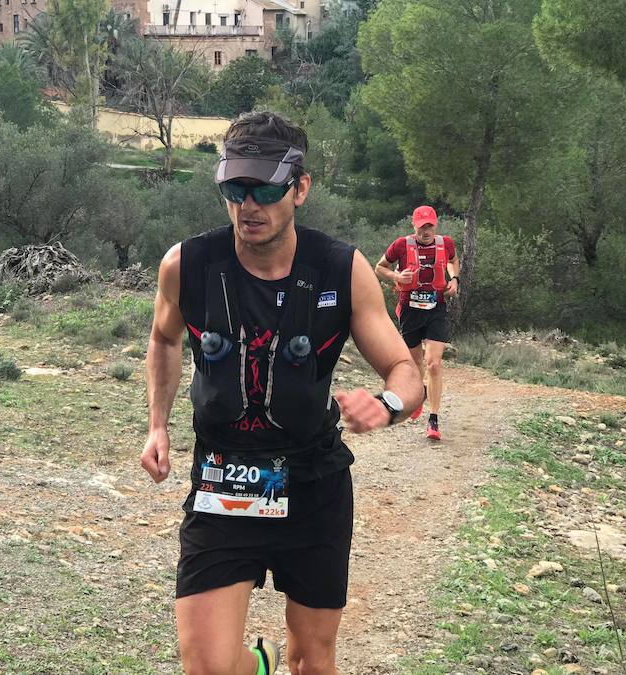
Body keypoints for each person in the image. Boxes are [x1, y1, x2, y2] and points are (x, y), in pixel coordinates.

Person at [140, 111, 423, 675]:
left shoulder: (340, 269)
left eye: (267, 188)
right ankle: (257, 665)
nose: (250, 205)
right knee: (209, 668)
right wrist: (158, 423)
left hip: (313, 485)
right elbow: (164, 338)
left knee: (313, 663)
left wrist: (387, 405)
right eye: (235, 188)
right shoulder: (188, 264)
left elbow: (403, 369)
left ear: (300, 189)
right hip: (223, 483)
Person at [374, 205, 460, 441]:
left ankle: (433, 420)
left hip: (437, 307)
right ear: (414, 226)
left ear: (436, 225)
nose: (426, 231)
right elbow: (380, 267)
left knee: (434, 364)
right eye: (422, 226)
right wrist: (396, 276)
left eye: (430, 225)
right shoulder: (401, 245)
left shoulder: (446, 243)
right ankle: (418, 394)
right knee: (415, 362)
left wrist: (454, 280)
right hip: (410, 309)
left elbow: (453, 261)